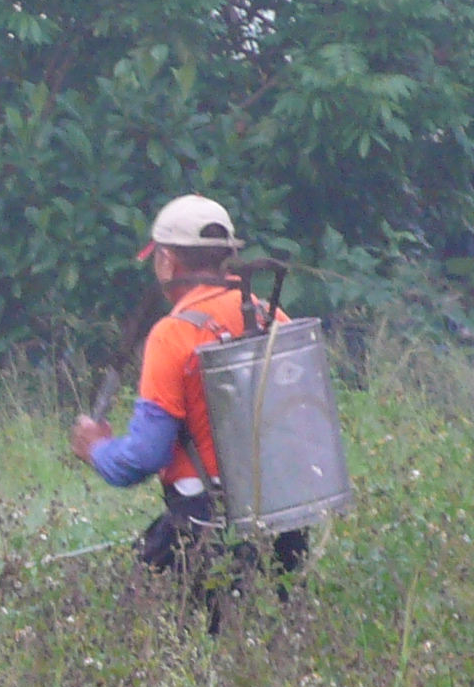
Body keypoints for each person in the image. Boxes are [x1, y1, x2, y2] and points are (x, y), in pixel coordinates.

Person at [68, 194, 309, 629]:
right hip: (285, 526)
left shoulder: (173, 335)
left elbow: (141, 459)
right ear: (228, 259)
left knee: (136, 646)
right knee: (271, 652)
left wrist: (96, 448)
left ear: (165, 262)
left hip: (203, 529)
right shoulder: (275, 318)